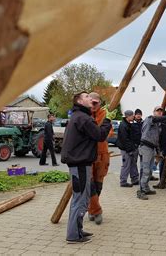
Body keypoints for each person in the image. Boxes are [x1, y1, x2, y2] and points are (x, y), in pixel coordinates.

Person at [61, 92, 111, 244]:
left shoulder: (78, 116)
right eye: (87, 97)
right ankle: (74, 235)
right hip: (80, 164)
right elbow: (100, 135)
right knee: (81, 200)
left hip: (79, 163)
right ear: (79, 101)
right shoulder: (83, 118)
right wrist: (108, 121)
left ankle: (77, 230)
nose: (91, 99)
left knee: (80, 198)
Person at [87, 92, 112, 225]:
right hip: (88, 155)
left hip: (102, 154)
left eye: (95, 102)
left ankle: (91, 209)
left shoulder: (105, 115)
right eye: (91, 102)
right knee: (90, 185)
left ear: (100, 103)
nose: (93, 105)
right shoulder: (84, 115)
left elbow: (108, 132)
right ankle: (97, 210)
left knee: (98, 185)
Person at [137, 106, 166, 200]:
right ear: (154, 112)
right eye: (158, 111)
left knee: (150, 170)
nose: (160, 112)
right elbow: (156, 119)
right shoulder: (150, 119)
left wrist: (158, 151)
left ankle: (146, 188)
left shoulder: (157, 125)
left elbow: (156, 139)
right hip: (145, 147)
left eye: (161, 111)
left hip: (151, 148)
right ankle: (141, 190)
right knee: (145, 170)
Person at [117, 110, 140, 187]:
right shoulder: (123, 126)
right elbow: (125, 139)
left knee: (133, 164)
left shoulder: (128, 124)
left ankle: (135, 179)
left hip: (131, 148)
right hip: (126, 149)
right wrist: (129, 150)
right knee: (126, 165)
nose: (133, 116)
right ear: (128, 116)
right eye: (132, 115)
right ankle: (123, 181)